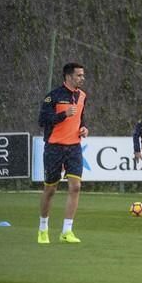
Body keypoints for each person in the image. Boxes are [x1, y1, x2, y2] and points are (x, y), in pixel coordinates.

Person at [37, 62, 89, 244]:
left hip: (74, 147)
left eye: (83, 75)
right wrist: (63, 115)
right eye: (79, 75)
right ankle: (43, 229)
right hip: (54, 147)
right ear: (68, 76)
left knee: (75, 187)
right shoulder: (53, 96)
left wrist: (83, 128)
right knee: (50, 189)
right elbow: (42, 120)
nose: (82, 78)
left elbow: (81, 118)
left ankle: (67, 231)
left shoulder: (82, 96)